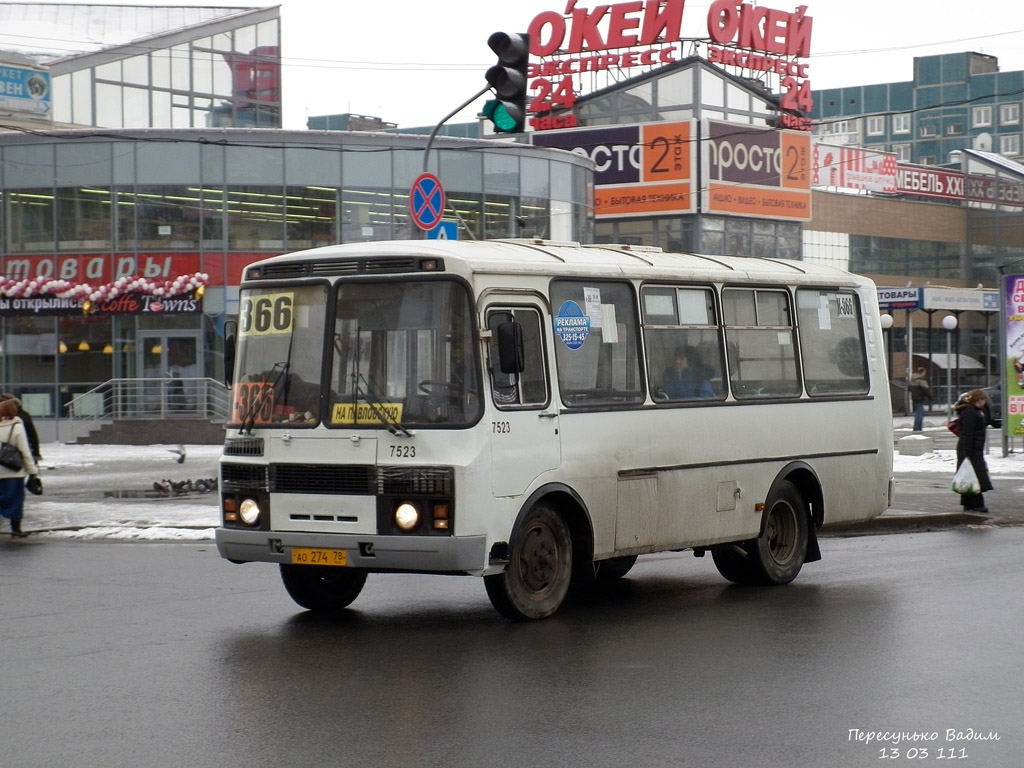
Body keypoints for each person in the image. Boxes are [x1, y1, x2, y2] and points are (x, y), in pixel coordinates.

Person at [0, 398, 40, 538]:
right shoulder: (16, 427)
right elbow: (25, 451)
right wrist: (33, 471)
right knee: (15, 500)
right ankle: (16, 531)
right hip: (14, 471)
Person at [953, 389, 994, 514]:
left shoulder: (972, 411)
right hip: (970, 450)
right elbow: (968, 434)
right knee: (975, 476)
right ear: (977, 399)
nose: (984, 402)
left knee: (969, 476)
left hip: (971, 449)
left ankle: (968, 503)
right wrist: (967, 453)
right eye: (983, 399)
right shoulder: (970, 413)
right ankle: (977, 504)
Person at [0, 394, 41, 463]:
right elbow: (33, 436)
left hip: (12, 453)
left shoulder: (19, 419)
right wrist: (35, 454)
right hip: (18, 455)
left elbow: (32, 435)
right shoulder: (24, 415)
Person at [909, 367, 933, 431]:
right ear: (922, 372)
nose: (925, 374)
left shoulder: (912, 380)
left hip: (914, 398)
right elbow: (926, 390)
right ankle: (917, 427)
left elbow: (909, 389)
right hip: (920, 398)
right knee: (920, 413)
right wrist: (931, 398)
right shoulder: (921, 380)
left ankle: (917, 427)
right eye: (925, 372)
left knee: (919, 412)